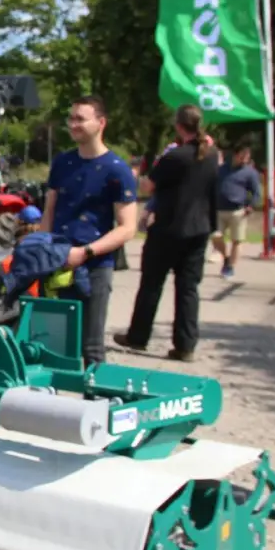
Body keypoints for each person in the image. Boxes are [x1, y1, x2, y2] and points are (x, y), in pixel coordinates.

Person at [39, 95, 139, 367]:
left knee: (91, 347)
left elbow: (128, 227)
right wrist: (43, 248)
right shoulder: (62, 163)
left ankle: (98, 406)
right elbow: (50, 209)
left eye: (80, 119)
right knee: (52, 346)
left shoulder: (117, 170)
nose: (73, 124)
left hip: (94, 267)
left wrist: (85, 252)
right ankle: (51, 407)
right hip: (57, 263)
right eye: (71, 118)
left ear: (101, 123)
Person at [116, 105, 219, 362]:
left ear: (178, 126)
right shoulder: (212, 155)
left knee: (151, 283)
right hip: (199, 228)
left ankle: (138, 336)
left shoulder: (175, 157)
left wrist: (136, 175)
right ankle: (185, 345)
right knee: (188, 288)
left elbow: (150, 185)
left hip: (169, 226)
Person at [213, 141, 262, 278]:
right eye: (242, 156)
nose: (244, 159)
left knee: (237, 240)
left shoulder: (250, 173)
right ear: (235, 155)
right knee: (215, 236)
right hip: (219, 209)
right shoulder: (221, 169)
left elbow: (256, 192)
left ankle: (230, 267)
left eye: (247, 157)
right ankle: (226, 257)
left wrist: (251, 205)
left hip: (238, 210)